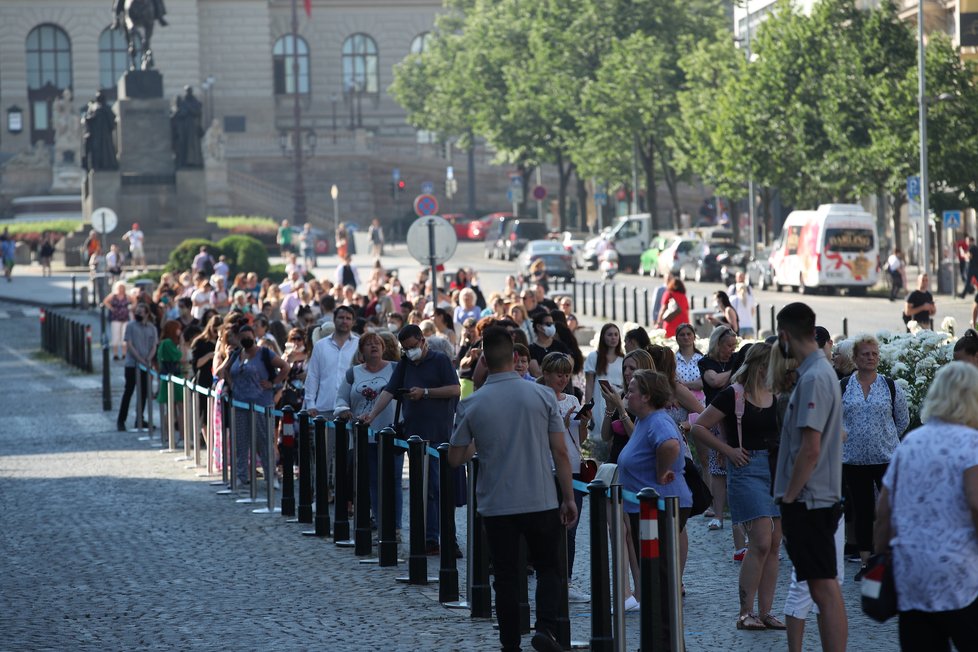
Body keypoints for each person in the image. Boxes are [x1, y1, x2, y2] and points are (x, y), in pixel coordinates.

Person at [447, 326, 577, 652]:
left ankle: (509, 645)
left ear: (484, 362)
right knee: (549, 568)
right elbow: (560, 452)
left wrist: (481, 440)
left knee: (505, 577)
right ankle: (545, 629)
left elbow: (455, 457)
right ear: (516, 358)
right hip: (540, 498)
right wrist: (569, 498)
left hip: (496, 503)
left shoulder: (472, 404)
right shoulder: (542, 395)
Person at [874, 361, 978, 650]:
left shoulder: (910, 443)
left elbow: (884, 510)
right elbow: (976, 502)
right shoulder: (972, 444)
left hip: (912, 573)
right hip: (960, 574)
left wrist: (880, 556)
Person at [689, 343, 785, 631]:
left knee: (775, 543)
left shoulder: (776, 394)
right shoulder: (734, 394)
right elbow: (698, 427)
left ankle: (766, 612)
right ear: (759, 365)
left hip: (775, 468)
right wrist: (728, 450)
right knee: (760, 541)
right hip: (746, 469)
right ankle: (745, 611)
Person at [774, 302, 847, 652]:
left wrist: (789, 498)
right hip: (814, 496)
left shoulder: (816, 377)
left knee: (823, 588)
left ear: (785, 336)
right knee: (822, 586)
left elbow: (810, 448)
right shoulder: (816, 373)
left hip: (810, 499)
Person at [363, 324, 461, 555]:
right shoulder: (406, 363)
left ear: (422, 341)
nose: (410, 352)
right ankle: (428, 536)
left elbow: (455, 389)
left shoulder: (440, 361)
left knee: (437, 489)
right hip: (414, 437)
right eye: (405, 349)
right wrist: (372, 415)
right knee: (422, 489)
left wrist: (425, 392)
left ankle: (442, 538)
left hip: (439, 436)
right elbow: (389, 391)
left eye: (413, 347)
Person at [618, 369, 691, 650]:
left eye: (633, 389)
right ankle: (657, 641)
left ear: (647, 396)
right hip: (645, 510)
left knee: (659, 579)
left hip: (659, 509)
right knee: (652, 579)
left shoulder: (658, 419)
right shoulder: (644, 419)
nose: (628, 393)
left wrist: (662, 472)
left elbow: (671, 445)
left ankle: (665, 643)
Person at [840, 333, 909, 580]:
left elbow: (902, 419)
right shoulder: (844, 386)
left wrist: (885, 438)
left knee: (888, 509)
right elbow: (836, 419)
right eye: (865, 354)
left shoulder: (889, 385)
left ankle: (889, 559)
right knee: (862, 509)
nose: (871, 358)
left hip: (885, 457)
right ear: (855, 358)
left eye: (874, 354)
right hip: (854, 459)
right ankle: (866, 563)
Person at [336, 332, 402, 533]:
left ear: (383, 348)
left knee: (394, 481)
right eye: (368, 344)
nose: (373, 346)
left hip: (393, 433)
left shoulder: (395, 369)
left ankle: (395, 527)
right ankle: (381, 524)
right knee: (373, 480)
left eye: (377, 343)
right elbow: (340, 400)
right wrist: (345, 411)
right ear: (362, 350)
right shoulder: (353, 373)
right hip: (365, 435)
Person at [538, 352, 590, 603]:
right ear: (546, 373)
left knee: (571, 528)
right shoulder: (538, 399)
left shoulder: (572, 398)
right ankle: (549, 577)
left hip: (574, 466)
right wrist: (565, 420)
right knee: (549, 528)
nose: (563, 378)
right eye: (559, 373)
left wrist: (582, 423)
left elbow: (580, 440)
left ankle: (566, 581)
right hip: (548, 468)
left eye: (567, 373)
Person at [217, 324, 289, 487]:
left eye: (249, 337)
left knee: (264, 442)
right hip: (240, 404)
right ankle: (240, 476)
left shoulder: (264, 353)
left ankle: (271, 476)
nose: (246, 340)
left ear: (254, 336)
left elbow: (285, 366)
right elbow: (225, 371)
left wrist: (273, 382)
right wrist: (231, 385)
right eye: (243, 338)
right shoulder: (237, 354)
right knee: (240, 442)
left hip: (261, 405)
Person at [303, 306, 359, 423]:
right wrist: (310, 403)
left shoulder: (359, 344)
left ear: (353, 322)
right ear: (334, 319)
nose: (344, 321)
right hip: (324, 407)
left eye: (348, 318)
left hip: (351, 409)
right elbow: (313, 375)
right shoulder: (320, 345)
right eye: (341, 317)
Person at [117, 303, 158, 431]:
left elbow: (154, 346)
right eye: (137, 311)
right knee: (128, 392)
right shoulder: (130, 326)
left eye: (141, 312)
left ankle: (139, 419)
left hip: (146, 365)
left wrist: (149, 358)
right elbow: (129, 344)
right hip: (132, 364)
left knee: (143, 393)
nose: (138, 314)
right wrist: (140, 359)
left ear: (146, 314)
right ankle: (121, 420)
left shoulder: (152, 328)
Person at [584, 323, 624, 439]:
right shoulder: (594, 357)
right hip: (598, 403)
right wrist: (588, 407)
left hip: (617, 402)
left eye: (616, 334)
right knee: (598, 436)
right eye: (610, 335)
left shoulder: (623, 359)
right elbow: (589, 385)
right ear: (603, 337)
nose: (613, 338)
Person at [155, 320, 185, 446]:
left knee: (172, 409)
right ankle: (177, 436)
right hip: (174, 377)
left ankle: (170, 436)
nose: (180, 331)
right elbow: (181, 357)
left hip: (169, 377)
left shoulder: (165, 343)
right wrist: (182, 343)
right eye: (178, 328)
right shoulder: (168, 343)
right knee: (178, 409)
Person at [528, 312, 570, 377]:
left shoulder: (560, 346)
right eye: (548, 324)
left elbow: (568, 367)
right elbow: (536, 373)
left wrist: (544, 368)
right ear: (539, 327)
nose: (552, 327)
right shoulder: (531, 349)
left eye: (552, 324)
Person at [103, 281, 131, 360]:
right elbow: (105, 301)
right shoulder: (113, 296)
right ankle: (115, 354)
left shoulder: (127, 296)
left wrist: (130, 308)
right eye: (119, 288)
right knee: (115, 336)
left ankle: (124, 353)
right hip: (115, 318)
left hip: (125, 318)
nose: (121, 289)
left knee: (124, 337)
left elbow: (134, 300)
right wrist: (111, 308)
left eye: (122, 288)